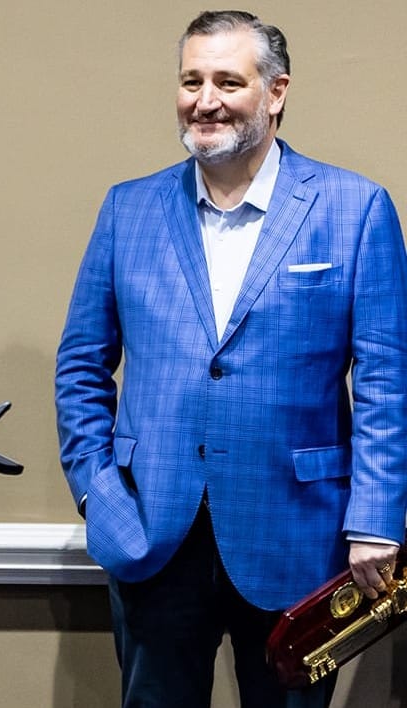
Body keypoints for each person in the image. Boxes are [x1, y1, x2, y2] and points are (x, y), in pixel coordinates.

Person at [55, 10, 407, 708]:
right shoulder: (130, 209)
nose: (204, 100)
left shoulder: (355, 208)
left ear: (275, 92)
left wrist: (376, 522)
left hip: (300, 539)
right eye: (191, 80)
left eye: (227, 80)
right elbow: (80, 368)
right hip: (151, 532)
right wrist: (98, 494)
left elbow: (386, 383)